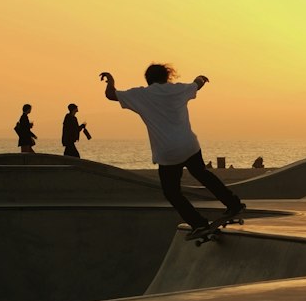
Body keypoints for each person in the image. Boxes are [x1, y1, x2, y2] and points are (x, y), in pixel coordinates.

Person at [99, 63, 244, 230]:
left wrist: (110, 79)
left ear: (148, 79)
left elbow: (111, 95)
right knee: (202, 174)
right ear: (167, 76)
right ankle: (233, 203)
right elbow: (197, 84)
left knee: (172, 193)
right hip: (189, 145)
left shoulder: (141, 95)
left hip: (168, 153)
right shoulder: (179, 90)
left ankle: (198, 223)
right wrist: (201, 78)